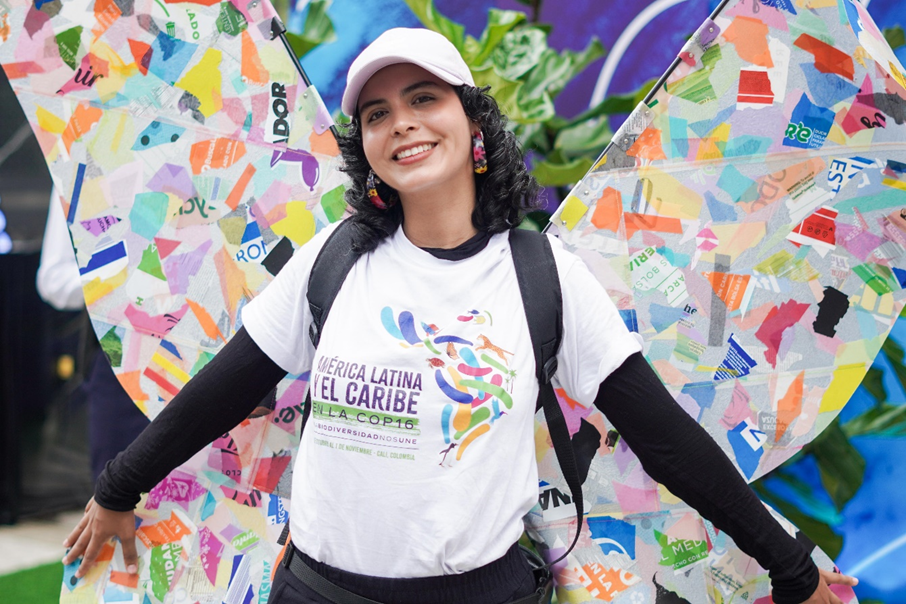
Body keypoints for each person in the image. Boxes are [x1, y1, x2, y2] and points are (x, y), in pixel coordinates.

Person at [63, 28, 858, 604]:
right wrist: (117, 488)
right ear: (364, 148)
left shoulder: (544, 276)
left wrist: (789, 564)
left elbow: (668, 440)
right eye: (376, 114)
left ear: (472, 125)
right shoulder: (335, 259)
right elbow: (225, 386)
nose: (401, 121)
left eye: (422, 98)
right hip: (316, 592)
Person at [37, 189, 149, 483]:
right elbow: (55, 279)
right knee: (122, 502)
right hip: (121, 350)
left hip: (220, 355)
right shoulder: (80, 160)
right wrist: (122, 273)